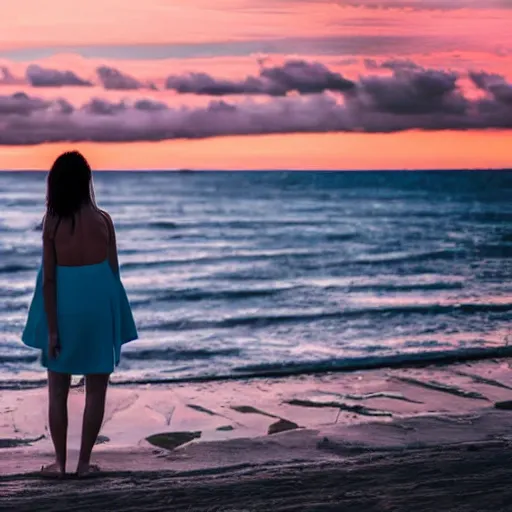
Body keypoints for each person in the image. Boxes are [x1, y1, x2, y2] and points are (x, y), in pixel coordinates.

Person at [22, 151, 138, 478]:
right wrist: (115, 323)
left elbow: (48, 279)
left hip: (65, 311)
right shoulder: (104, 220)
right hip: (99, 310)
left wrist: (53, 331)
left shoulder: (53, 222)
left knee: (57, 390)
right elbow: (114, 275)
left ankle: (60, 464)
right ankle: (84, 464)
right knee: (96, 390)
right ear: (86, 182)